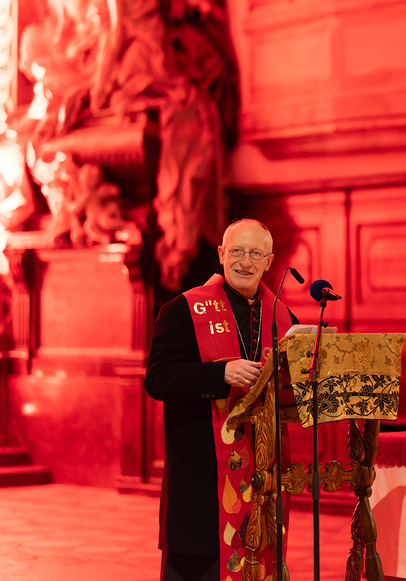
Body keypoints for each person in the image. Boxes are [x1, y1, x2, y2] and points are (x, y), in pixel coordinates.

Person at [145, 219, 294, 581]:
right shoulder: (182, 309)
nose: (245, 262)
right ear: (221, 254)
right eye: (237, 251)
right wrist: (220, 373)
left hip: (263, 467)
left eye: (255, 253)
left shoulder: (283, 316)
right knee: (202, 565)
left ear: (269, 261)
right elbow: (157, 379)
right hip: (203, 473)